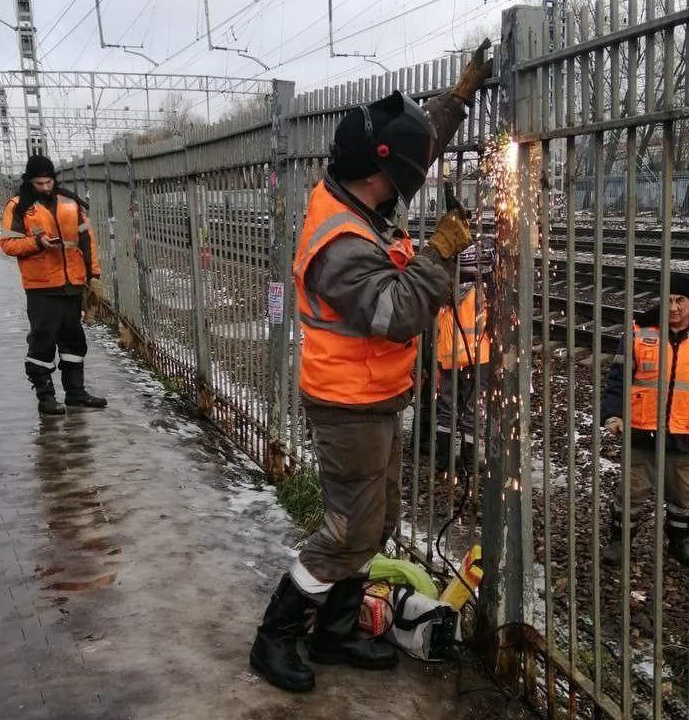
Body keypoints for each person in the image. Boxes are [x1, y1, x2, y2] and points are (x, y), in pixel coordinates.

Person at [249, 40, 493, 693]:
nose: (416, 173)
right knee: (345, 530)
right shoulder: (340, 243)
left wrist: (460, 97)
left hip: (376, 396)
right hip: (346, 402)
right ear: (380, 172)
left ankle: (334, 633)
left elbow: (414, 145)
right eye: (409, 168)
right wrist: (440, 254)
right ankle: (274, 637)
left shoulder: (360, 195)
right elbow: (397, 313)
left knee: (375, 522)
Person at [599, 274, 689, 567]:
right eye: (668, 300)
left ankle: (679, 542)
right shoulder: (637, 333)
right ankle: (619, 542)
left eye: (680, 300)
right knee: (631, 493)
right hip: (641, 429)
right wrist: (612, 413)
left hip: (685, 432)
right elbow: (617, 379)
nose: (673, 307)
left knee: (683, 497)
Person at [0, 154, 108, 415]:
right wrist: (37, 243)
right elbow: (8, 244)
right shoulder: (18, 206)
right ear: (29, 182)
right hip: (41, 287)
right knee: (43, 341)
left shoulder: (70, 202)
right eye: (39, 183)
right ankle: (46, 398)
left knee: (74, 339)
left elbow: (86, 240)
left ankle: (75, 394)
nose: (46, 188)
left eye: (49, 182)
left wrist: (93, 275)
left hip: (72, 282)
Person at [434, 239, 494, 474]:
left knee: (447, 408)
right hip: (478, 357)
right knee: (472, 410)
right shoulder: (482, 293)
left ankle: (443, 461)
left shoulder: (448, 291)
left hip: (450, 357)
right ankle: (469, 465)